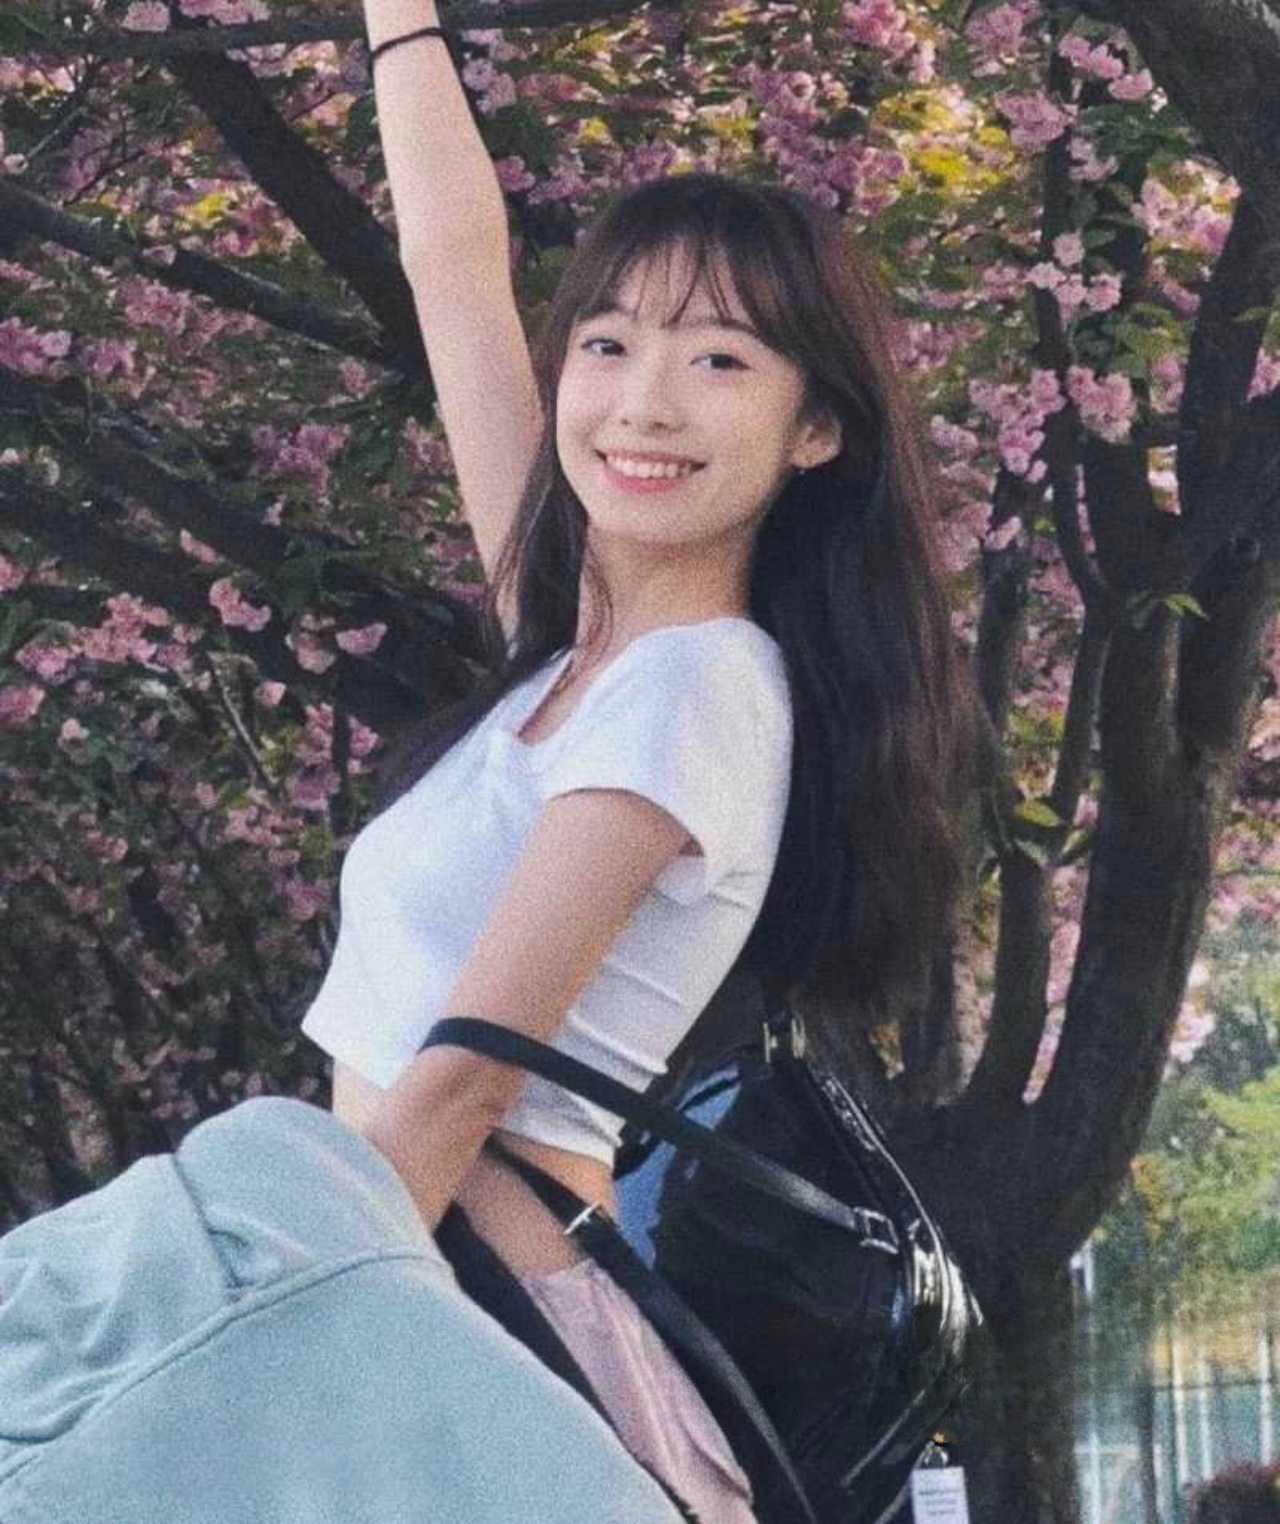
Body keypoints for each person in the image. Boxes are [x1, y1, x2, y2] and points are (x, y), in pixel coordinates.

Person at [298, 1, 974, 1517]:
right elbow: (453, 274)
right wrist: (400, 16)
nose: (644, 402)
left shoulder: (695, 689)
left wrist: (273, 1326)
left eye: (720, 359)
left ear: (816, 431)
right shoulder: (577, 652)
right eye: (607, 344)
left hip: (481, 1322)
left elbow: (469, 1077)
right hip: (425, 1289)